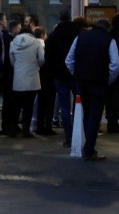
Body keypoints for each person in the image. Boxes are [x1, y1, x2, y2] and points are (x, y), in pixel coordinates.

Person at [66, 18, 119, 161]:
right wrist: (107, 80)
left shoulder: (81, 37)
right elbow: (115, 65)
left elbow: (69, 60)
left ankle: (88, 147)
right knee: (95, 116)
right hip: (99, 82)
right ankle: (89, 149)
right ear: (108, 28)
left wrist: (77, 74)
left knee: (87, 114)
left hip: (82, 82)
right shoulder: (109, 40)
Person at [45, 9, 80, 147]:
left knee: (64, 107)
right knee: (78, 105)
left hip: (60, 75)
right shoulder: (78, 34)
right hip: (76, 74)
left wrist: (53, 71)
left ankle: (68, 137)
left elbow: (48, 57)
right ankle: (78, 134)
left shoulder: (53, 36)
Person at [9, 25, 45, 137]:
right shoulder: (36, 43)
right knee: (28, 106)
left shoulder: (13, 42)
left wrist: (18, 68)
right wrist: (36, 66)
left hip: (18, 79)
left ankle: (13, 129)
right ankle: (26, 131)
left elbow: (12, 60)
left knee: (16, 106)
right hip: (32, 79)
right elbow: (42, 59)